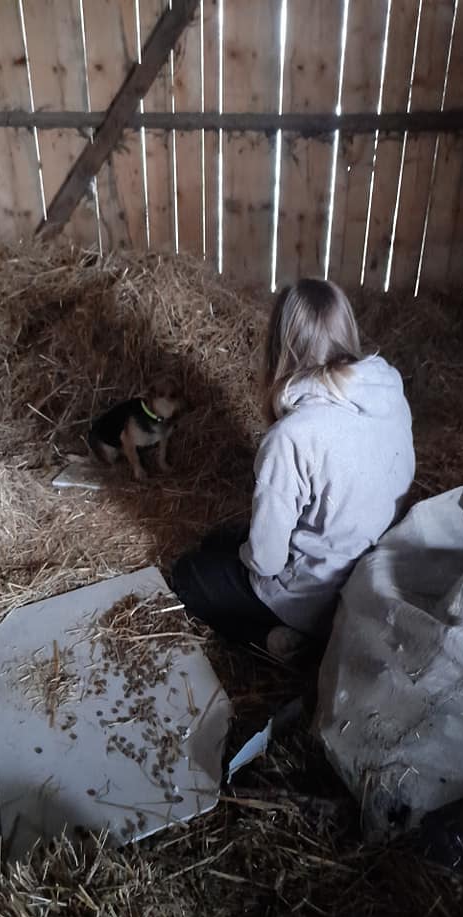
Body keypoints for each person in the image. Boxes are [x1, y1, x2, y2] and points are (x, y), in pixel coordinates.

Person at [171, 278, 415, 660]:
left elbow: (267, 562)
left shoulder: (291, 436)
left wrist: (251, 556)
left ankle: (272, 638)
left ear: (280, 346)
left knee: (188, 575)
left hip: (312, 594)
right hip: (371, 569)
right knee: (220, 541)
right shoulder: (388, 390)